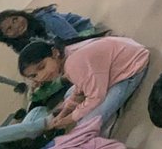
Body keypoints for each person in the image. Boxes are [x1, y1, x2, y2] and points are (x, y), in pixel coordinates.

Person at [17, 36, 150, 131]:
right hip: (121, 62)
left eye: (42, 67)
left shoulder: (73, 64)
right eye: (34, 75)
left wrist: (69, 119)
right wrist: (65, 111)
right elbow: (80, 85)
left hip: (132, 68)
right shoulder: (67, 56)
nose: (42, 76)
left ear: (55, 53)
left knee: (85, 124)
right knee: (70, 94)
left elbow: (96, 97)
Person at [0, 6, 101, 52]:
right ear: (5, 37)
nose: (17, 25)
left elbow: (73, 38)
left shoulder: (46, 18)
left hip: (81, 33)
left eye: (15, 19)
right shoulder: (19, 43)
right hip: (61, 47)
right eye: (9, 29)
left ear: (21, 14)